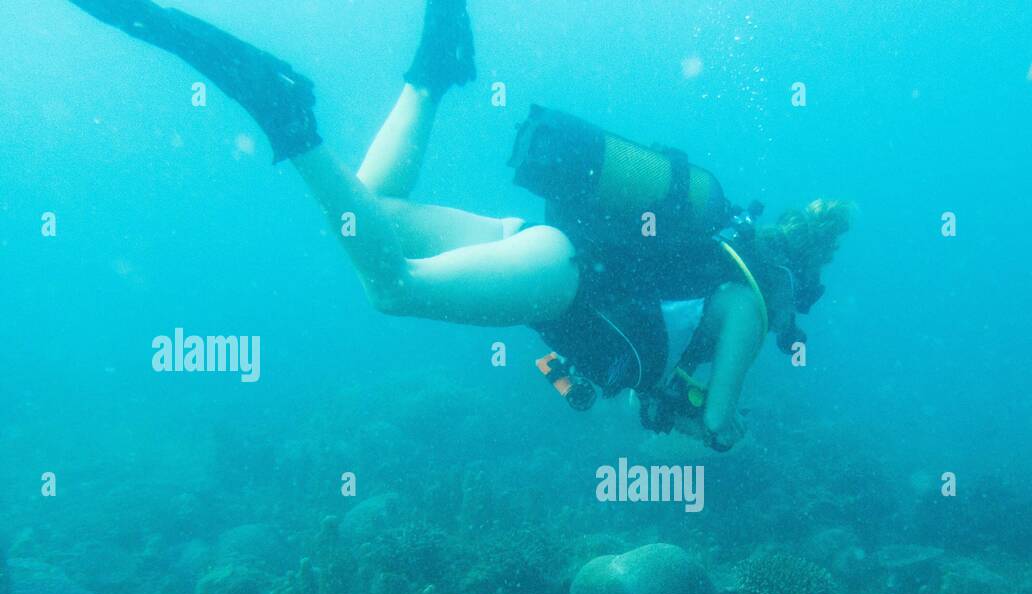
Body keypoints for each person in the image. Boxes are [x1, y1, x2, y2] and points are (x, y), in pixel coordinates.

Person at [67, 0, 852, 450]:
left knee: (376, 208)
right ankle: (288, 119)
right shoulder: (752, 294)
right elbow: (717, 423)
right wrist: (723, 427)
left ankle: (433, 72)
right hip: (565, 277)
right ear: (799, 274)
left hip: (543, 243)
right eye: (804, 302)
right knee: (392, 287)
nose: (794, 317)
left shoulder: (719, 243)